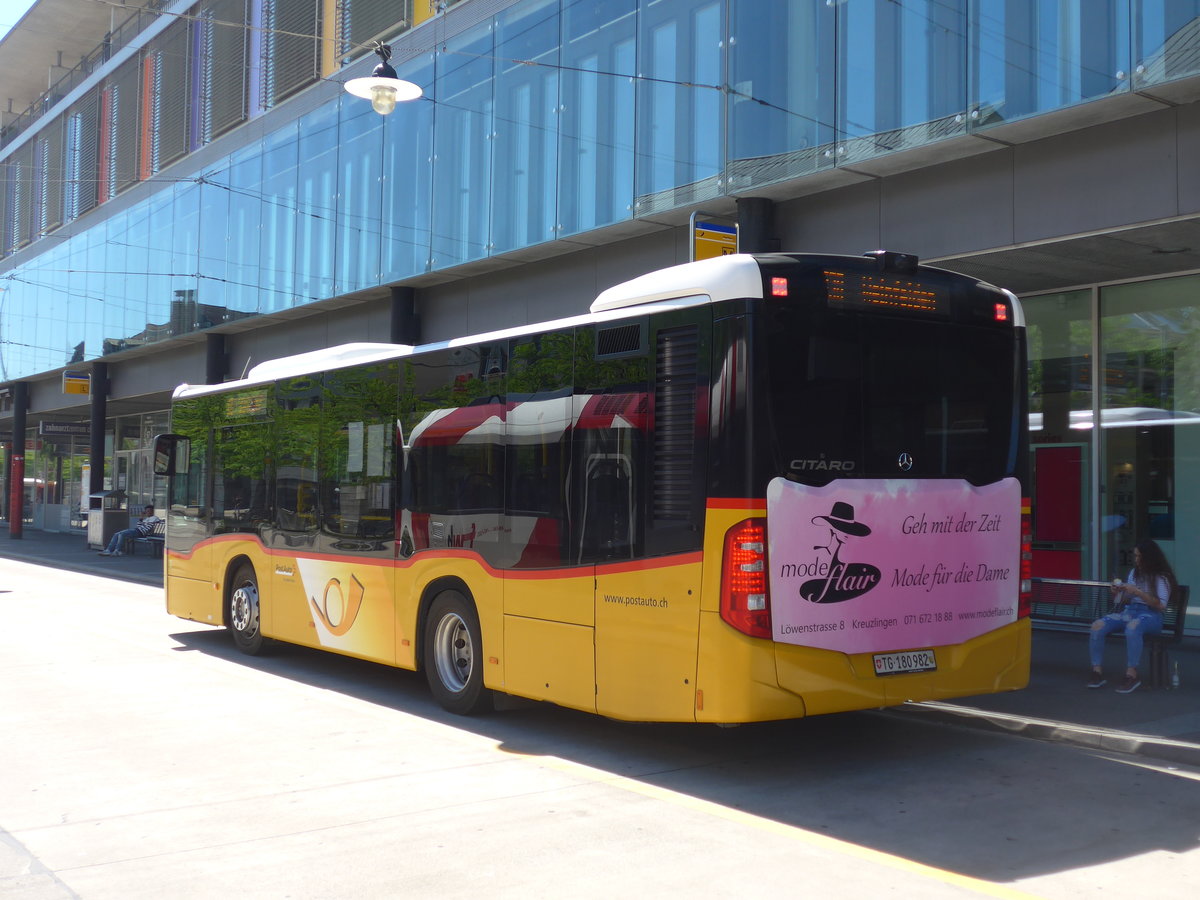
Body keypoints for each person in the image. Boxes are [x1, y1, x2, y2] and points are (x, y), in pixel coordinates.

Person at [1088, 539, 1177, 694]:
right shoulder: (1134, 573)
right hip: (1130, 611)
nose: (1136, 560)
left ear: (1149, 558)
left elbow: (1160, 605)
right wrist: (1119, 592)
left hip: (1151, 615)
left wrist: (1138, 592)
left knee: (1132, 627)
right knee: (1097, 625)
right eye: (1135, 556)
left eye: (1139, 556)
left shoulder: (1162, 577)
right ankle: (1097, 671)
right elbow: (1126, 600)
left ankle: (1132, 673)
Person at [99, 504, 163, 556]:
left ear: (152, 511)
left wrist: (145, 523)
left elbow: (149, 527)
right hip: (137, 530)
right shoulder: (146, 519)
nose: (147, 512)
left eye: (149, 511)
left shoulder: (155, 518)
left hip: (141, 533)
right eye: (146, 511)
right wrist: (141, 518)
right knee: (116, 534)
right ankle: (109, 550)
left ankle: (117, 550)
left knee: (122, 534)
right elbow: (139, 526)